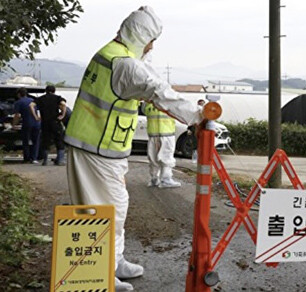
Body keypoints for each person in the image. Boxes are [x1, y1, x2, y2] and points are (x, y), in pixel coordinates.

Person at [64, 6, 202, 292]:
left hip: (102, 148)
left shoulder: (114, 54)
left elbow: (148, 72)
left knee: (114, 207)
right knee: (102, 211)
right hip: (96, 149)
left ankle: (114, 261)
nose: (151, 47)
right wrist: (201, 116)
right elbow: (156, 88)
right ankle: (101, 272)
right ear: (140, 36)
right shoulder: (124, 65)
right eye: (150, 40)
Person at [144, 102, 181, 188]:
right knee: (167, 158)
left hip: (153, 135)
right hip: (166, 135)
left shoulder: (148, 104)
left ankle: (154, 179)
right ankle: (166, 180)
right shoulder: (168, 102)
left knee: (153, 158)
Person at [30, 85, 67, 166]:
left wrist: (36, 116)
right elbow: (63, 104)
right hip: (55, 122)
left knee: (46, 141)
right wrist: (63, 115)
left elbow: (31, 105)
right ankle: (60, 160)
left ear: (46, 91)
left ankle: (45, 161)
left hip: (45, 123)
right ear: (54, 91)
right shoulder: (57, 98)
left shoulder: (40, 98)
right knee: (59, 140)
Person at [13, 87, 41, 163]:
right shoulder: (33, 101)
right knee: (36, 141)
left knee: (26, 141)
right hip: (37, 123)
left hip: (27, 123)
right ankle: (34, 158)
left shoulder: (18, 102)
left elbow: (17, 115)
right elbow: (38, 112)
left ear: (19, 94)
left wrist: (14, 125)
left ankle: (27, 158)